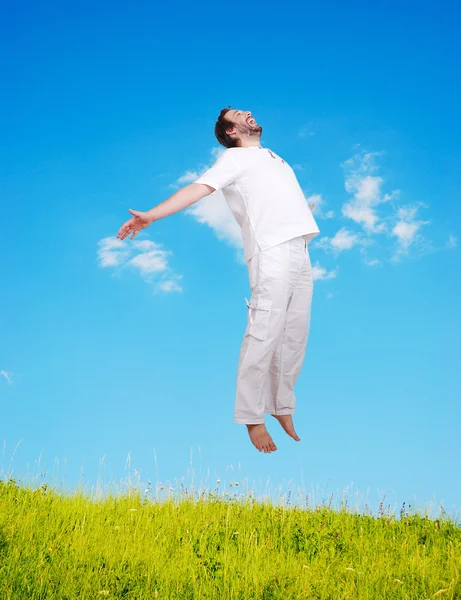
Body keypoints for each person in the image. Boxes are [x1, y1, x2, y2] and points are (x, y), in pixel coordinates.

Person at [116, 107, 320, 454]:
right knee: (264, 331)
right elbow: (198, 189)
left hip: (299, 247)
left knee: (294, 334)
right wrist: (151, 215)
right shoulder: (234, 159)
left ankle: (281, 406)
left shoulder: (274, 158)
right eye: (241, 115)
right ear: (231, 133)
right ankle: (252, 417)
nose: (250, 114)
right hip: (270, 250)